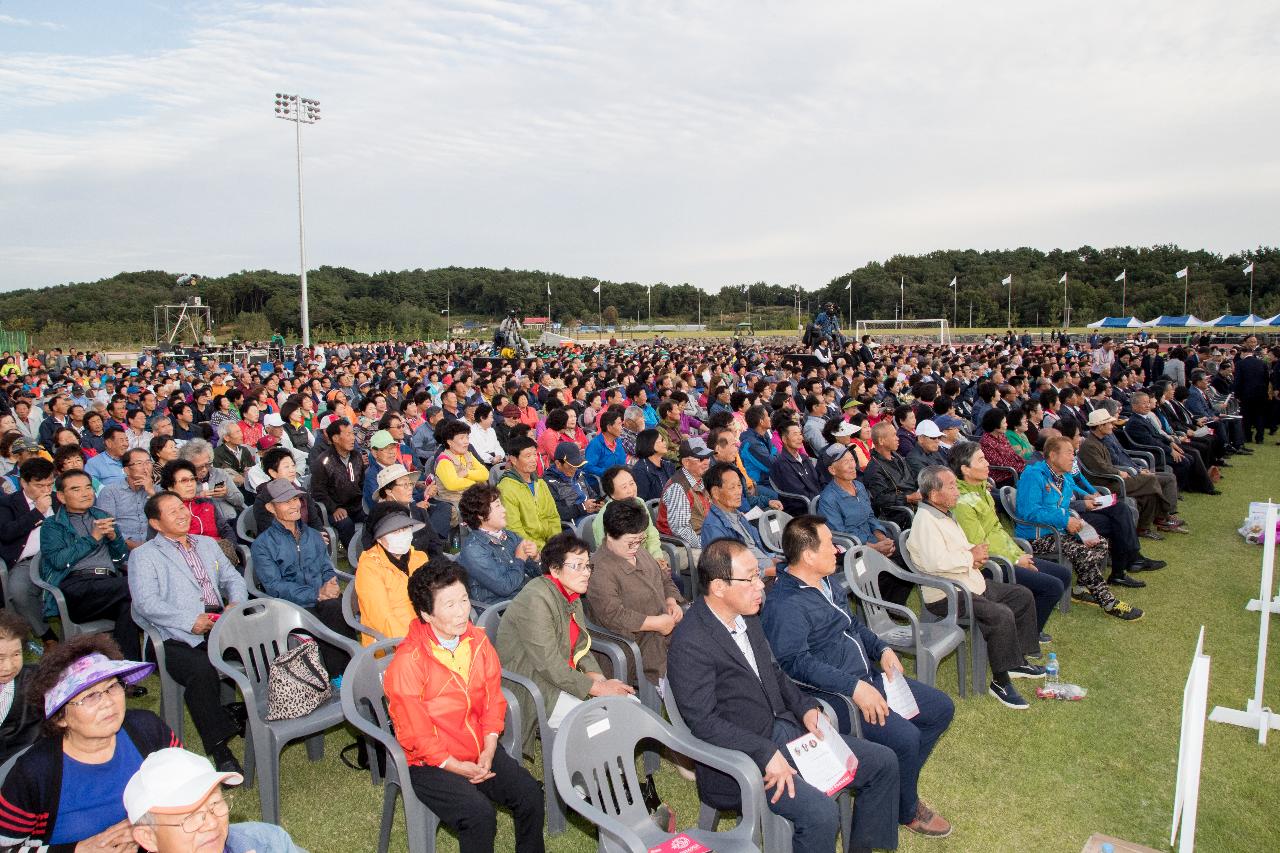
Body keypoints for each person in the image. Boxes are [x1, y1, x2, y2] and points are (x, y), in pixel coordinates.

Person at [666, 538, 901, 853]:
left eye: (758, 576)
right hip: (741, 760)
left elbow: (774, 673)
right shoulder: (691, 641)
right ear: (719, 587)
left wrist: (805, 708)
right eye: (749, 579)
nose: (759, 586)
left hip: (787, 732)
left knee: (883, 762)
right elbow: (703, 721)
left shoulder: (746, 615)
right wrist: (763, 752)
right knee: (821, 813)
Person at [762, 515, 955, 838]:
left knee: (940, 708)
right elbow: (795, 665)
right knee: (905, 738)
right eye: (829, 545)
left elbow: (852, 625)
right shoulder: (786, 604)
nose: (837, 551)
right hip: (836, 696)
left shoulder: (825, 583)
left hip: (867, 678)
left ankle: (897, 790)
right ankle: (906, 809)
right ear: (808, 556)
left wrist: (881, 649)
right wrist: (855, 687)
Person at [384, 560, 544, 853]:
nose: (462, 612)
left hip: (478, 750)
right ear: (426, 614)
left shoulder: (479, 642)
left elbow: (494, 700)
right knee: (479, 815)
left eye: (464, 600)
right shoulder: (408, 662)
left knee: (530, 794)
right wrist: (456, 766)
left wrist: (490, 745)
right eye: (449, 605)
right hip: (430, 763)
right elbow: (415, 734)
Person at [0, 635, 177, 850]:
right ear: (60, 717)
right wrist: (78, 849)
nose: (108, 703)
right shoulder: (35, 772)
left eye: (112, 686)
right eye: (90, 696)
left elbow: (187, 790)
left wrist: (144, 824)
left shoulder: (149, 730)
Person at [905, 466, 1046, 709]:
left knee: (1021, 595)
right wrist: (971, 557)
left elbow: (959, 547)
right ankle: (1000, 683)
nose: (957, 492)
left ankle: (1016, 661)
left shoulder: (944, 513)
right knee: (1000, 614)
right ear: (934, 494)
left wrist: (976, 553)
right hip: (946, 594)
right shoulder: (925, 521)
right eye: (951, 486)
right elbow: (934, 563)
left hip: (967, 583)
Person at [128, 491, 248, 773]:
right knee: (201, 670)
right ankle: (220, 749)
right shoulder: (144, 555)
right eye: (172, 512)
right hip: (174, 635)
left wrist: (235, 604)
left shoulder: (207, 544)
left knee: (264, 649)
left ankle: (253, 713)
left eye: (182, 508)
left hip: (220, 624)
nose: (183, 514)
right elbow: (146, 602)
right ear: (156, 523)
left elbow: (233, 579)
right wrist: (188, 620)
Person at [493, 533, 634, 747]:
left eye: (588, 566)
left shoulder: (571, 594)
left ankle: (614, 774)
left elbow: (580, 646)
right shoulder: (536, 599)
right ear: (555, 569)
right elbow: (549, 665)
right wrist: (597, 689)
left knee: (629, 705)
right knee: (599, 722)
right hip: (534, 684)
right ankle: (584, 775)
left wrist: (600, 680)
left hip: (563, 678)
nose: (586, 573)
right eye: (577, 566)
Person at [949, 442, 1073, 638]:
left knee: (1063, 574)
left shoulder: (982, 491)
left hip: (1007, 555)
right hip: (988, 564)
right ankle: (1026, 636)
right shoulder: (963, 502)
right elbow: (979, 545)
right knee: (1052, 586)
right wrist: (1015, 561)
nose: (988, 463)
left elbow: (998, 531)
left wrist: (1019, 554)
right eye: (981, 460)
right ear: (965, 469)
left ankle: (1026, 627)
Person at [1014, 437, 1144, 621]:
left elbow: (1065, 508)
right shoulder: (1033, 475)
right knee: (1082, 553)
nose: (1073, 458)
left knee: (1100, 543)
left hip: (1058, 531)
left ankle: (1081, 588)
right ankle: (1108, 602)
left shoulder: (1064, 478)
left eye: (1074, 454)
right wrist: (1065, 519)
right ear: (1052, 455)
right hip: (1036, 536)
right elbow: (1030, 512)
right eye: (1069, 453)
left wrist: (1083, 527)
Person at [251, 479, 356, 678]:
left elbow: (327, 567)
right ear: (270, 508)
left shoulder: (313, 536)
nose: (294, 505)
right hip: (290, 605)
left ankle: (349, 670)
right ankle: (341, 675)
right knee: (331, 611)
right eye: (286, 502)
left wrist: (331, 584)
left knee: (335, 605)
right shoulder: (263, 545)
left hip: (323, 598)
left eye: (296, 499)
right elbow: (275, 586)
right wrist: (316, 593)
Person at [40, 468, 142, 661]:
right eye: (76, 489)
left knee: (129, 605)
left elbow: (120, 558)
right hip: (76, 589)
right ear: (61, 496)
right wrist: (92, 538)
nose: (86, 493)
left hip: (108, 586)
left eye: (88, 487)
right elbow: (58, 561)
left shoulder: (101, 515)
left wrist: (114, 539)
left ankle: (126, 672)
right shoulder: (52, 525)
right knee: (136, 585)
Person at [124, 747, 305, 853]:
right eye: (191, 817)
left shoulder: (267, 843)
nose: (211, 823)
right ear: (148, 837)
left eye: (215, 804)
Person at [586, 499, 684, 689]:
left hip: (663, 624)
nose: (636, 547)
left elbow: (664, 579)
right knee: (680, 665)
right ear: (609, 536)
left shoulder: (639, 552)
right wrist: (655, 623)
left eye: (640, 540)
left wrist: (671, 601)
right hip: (633, 640)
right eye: (630, 542)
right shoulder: (599, 568)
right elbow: (613, 615)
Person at [1078, 409, 1182, 538]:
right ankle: (1165, 515)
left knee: (1149, 493)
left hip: (1113, 479)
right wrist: (1119, 472)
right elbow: (1101, 467)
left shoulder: (1098, 441)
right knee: (1151, 480)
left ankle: (1144, 528)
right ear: (1100, 426)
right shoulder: (1090, 445)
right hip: (1109, 483)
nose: (1112, 425)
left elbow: (1106, 465)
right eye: (1109, 423)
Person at [0, 458, 59, 649]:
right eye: (39, 485)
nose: (45, 490)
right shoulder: (8, 503)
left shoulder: (59, 499)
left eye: (49, 484)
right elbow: (7, 533)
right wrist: (38, 512)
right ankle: (46, 634)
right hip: (28, 560)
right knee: (18, 592)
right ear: (24, 483)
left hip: (61, 556)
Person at [353, 508, 432, 643]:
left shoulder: (420, 558)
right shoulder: (369, 567)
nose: (402, 535)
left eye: (405, 529)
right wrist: (415, 644)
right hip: (391, 644)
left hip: (428, 631)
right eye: (395, 531)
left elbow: (435, 600)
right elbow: (382, 618)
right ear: (379, 539)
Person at [457, 484, 541, 610]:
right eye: (497, 506)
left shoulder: (509, 536)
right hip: (499, 611)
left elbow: (539, 574)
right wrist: (520, 559)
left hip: (523, 600)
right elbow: (504, 587)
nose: (504, 510)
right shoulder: (474, 550)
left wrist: (536, 558)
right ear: (480, 515)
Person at [699, 461, 777, 577]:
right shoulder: (713, 527)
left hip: (766, 573)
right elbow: (727, 571)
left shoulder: (738, 516)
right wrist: (768, 572)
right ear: (715, 492)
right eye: (732, 487)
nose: (738, 492)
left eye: (739, 486)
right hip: (751, 584)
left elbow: (755, 550)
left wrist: (774, 562)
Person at [589, 466, 668, 571]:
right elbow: (609, 555)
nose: (631, 490)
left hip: (646, 559)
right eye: (624, 487)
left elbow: (651, 534)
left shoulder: (639, 503)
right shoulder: (603, 519)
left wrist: (657, 556)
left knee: (674, 580)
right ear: (612, 493)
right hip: (622, 568)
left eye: (632, 483)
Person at [494, 436, 561, 549]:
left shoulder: (540, 483)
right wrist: (540, 549)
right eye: (528, 456)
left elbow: (553, 517)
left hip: (551, 547)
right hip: (527, 550)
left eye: (535, 454)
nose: (534, 459)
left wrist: (555, 544)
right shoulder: (506, 488)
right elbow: (514, 529)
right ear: (514, 460)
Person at [311, 418, 368, 547]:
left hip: (357, 504)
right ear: (336, 438)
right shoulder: (323, 461)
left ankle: (371, 551)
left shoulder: (356, 456)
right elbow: (318, 491)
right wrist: (334, 508)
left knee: (374, 515)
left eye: (353, 433)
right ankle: (353, 555)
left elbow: (362, 483)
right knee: (345, 523)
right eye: (348, 434)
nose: (352, 438)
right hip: (336, 508)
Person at [656, 437, 714, 553]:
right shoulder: (678, 488)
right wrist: (707, 542)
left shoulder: (699, 479)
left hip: (702, 535)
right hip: (680, 547)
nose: (707, 462)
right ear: (686, 462)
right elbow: (681, 530)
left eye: (708, 457)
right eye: (701, 459)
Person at [862, 420, 920, 526]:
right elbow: (880, 499)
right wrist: (908, 497)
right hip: (901, 515)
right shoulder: (874, 468)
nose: (898, 438)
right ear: (881, 441)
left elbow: (912, 477)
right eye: (894, 435)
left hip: (918, 504)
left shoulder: (898, 457)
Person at [0, 610, 40, 762]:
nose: (8, 667)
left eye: (16, 654)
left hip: (23, 760)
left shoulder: (35, 681)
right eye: (0, 658)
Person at [433, 419, 487, 524]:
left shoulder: (468, 454)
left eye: (467, 437)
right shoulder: (444, 460)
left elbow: (485, 474)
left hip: (472, 499)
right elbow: (453, 484)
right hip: (457, 502)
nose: (466, 441)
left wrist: (467, 473)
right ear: (450, 442)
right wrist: (476, 483)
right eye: (462, 438)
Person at [768, 421, 823, 515]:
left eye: (800, 434)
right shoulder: (781, 464)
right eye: (795, 434)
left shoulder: (804, 458)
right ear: (784, 439)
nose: (799, 438)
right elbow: (797, 491)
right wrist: (821, 500)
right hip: (802, 509)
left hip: (818, 502)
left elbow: (819, 480)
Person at [543, 441, 603, 523]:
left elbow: (592, 495)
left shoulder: (579, 474)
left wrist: (598, 503)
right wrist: (582, 507)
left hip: (593, 516)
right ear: (558, 463)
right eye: (571, 467)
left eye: (577, 465)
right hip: (574, 524)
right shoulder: (548, 482)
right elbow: (558, 512)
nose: (575, 469)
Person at [631, 428, 676, 502]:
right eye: (661, 440)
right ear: (650, 443)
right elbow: (641, 501)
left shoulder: (669, 465)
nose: (665, 443)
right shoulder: (640, 471)